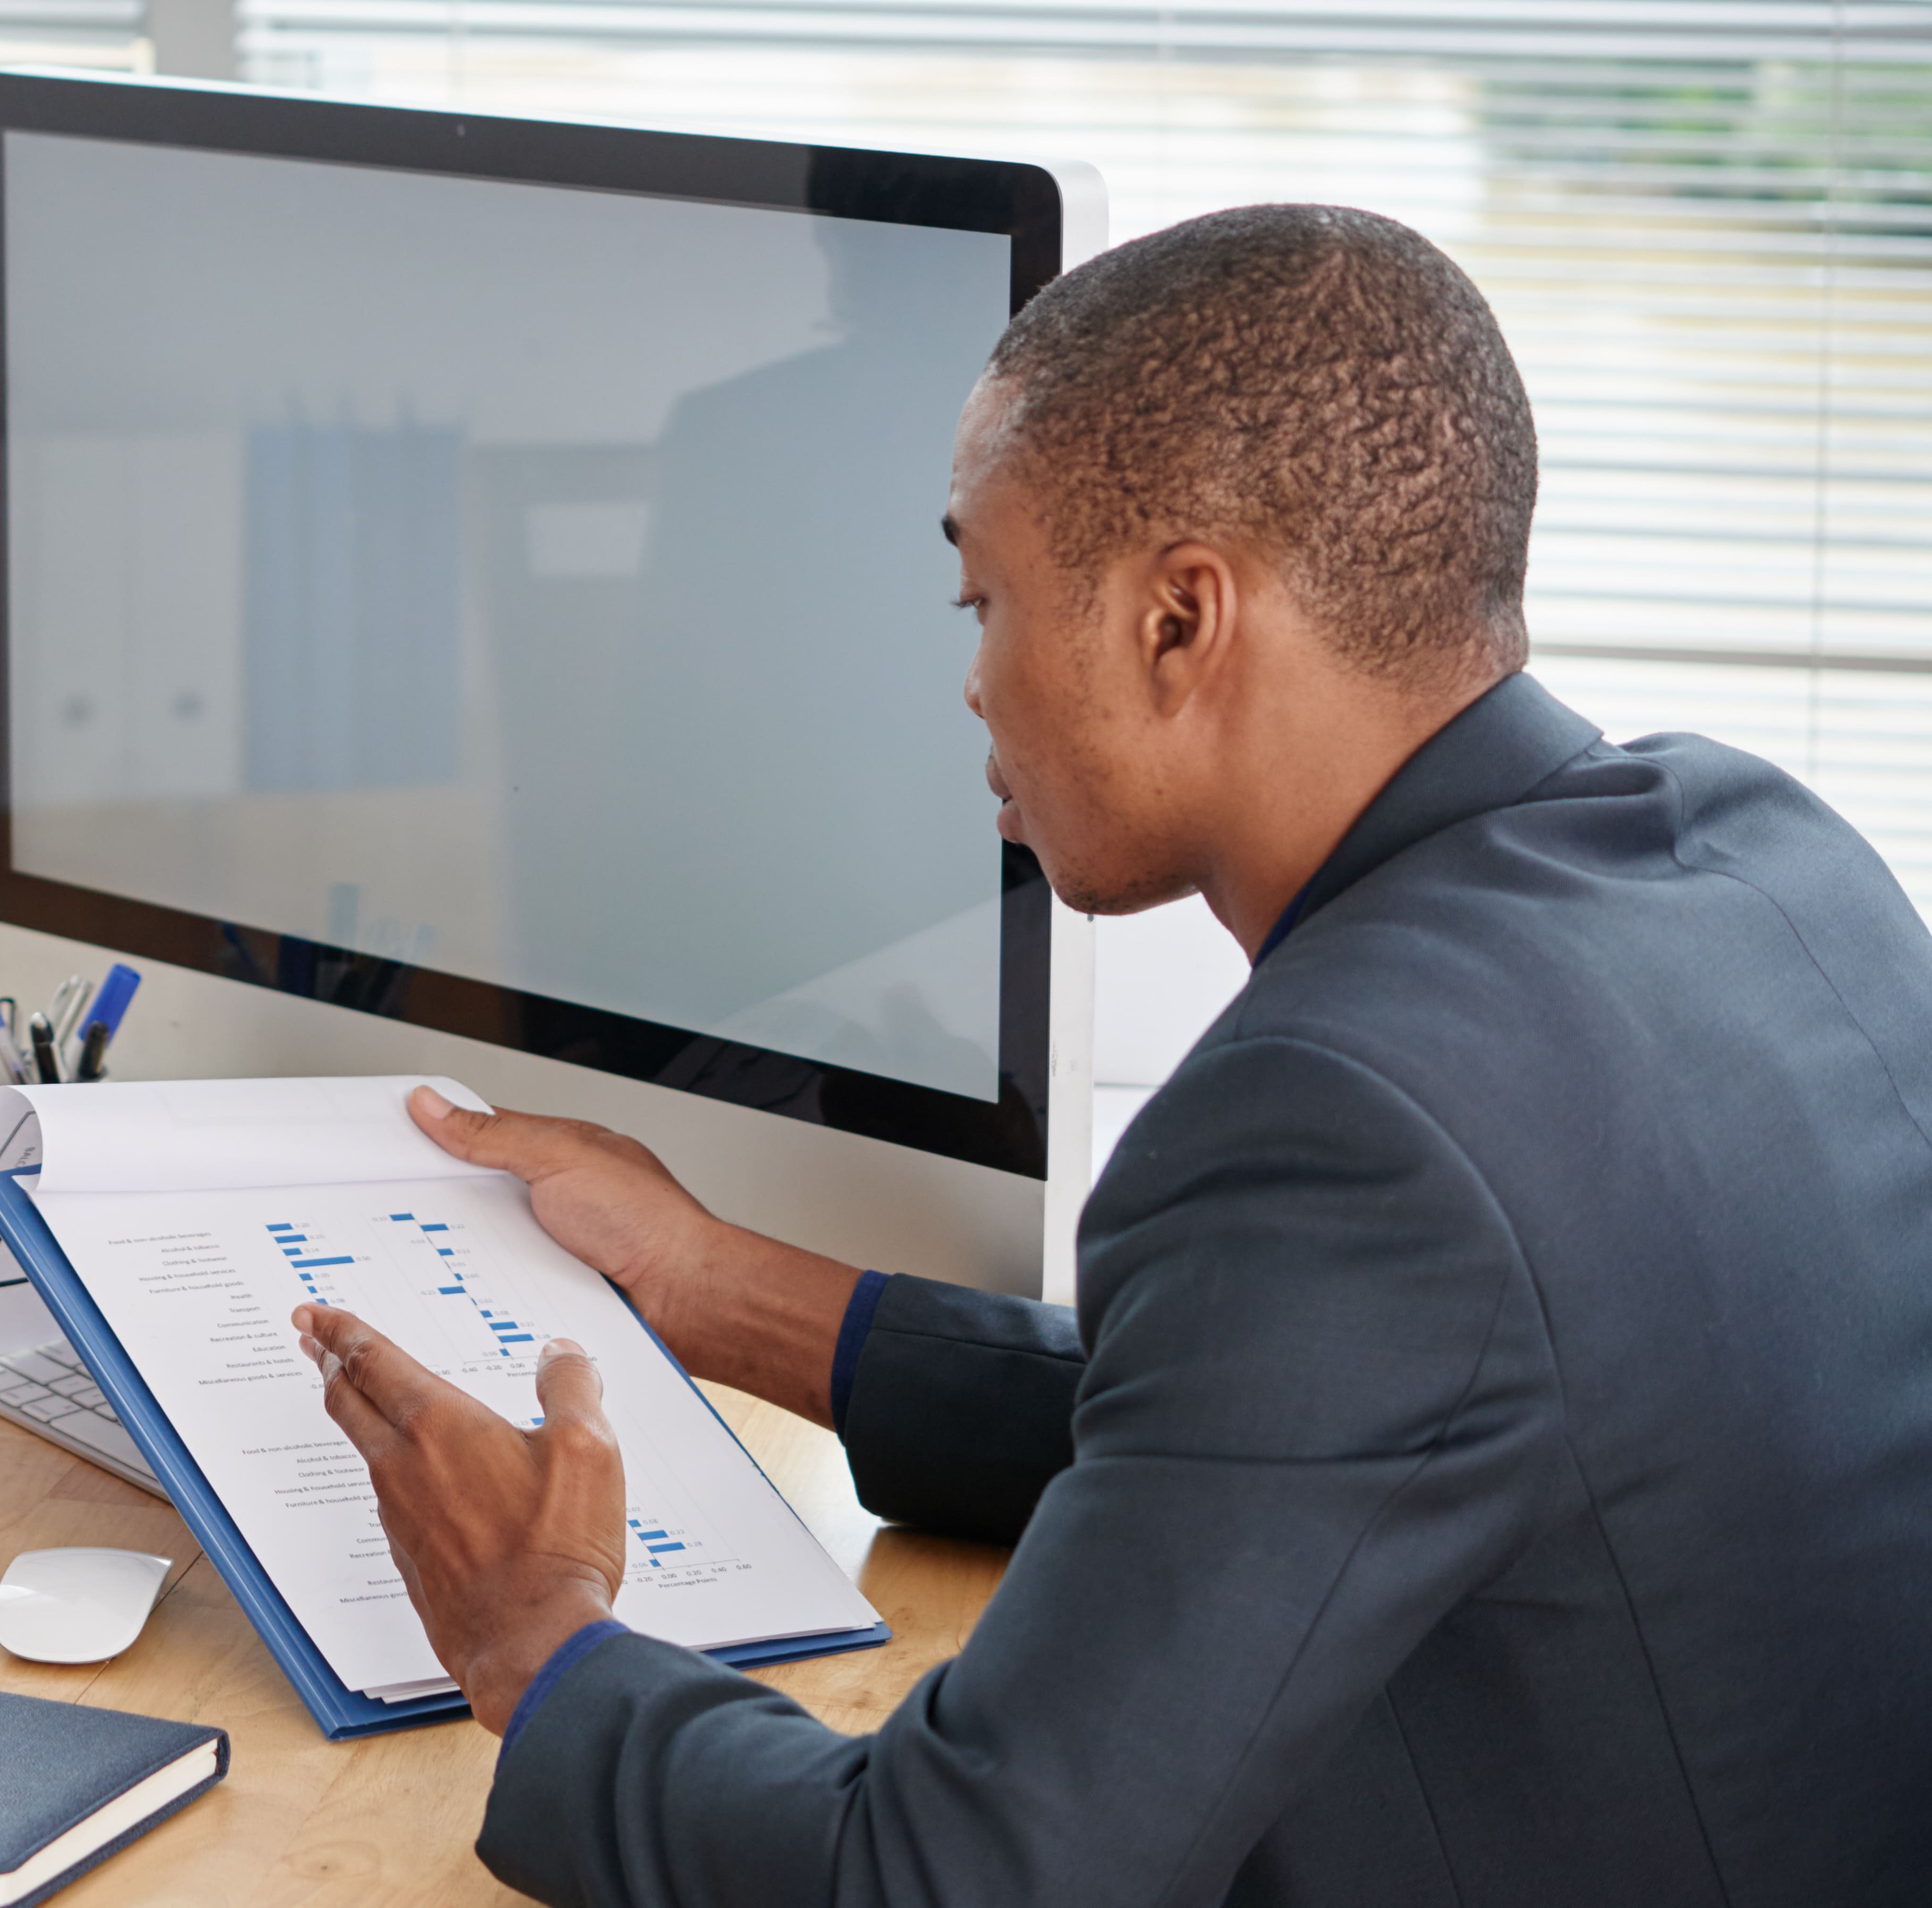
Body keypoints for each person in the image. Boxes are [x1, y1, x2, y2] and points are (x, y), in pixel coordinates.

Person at [293, 205, 1932, 1904]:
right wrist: (711, 1284)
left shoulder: (1342, 1123)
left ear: (1178, 622)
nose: (975, 685)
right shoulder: (1764, 853)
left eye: (983, 596)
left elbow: (943, 1882)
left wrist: (536, 1639)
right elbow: (1298, 1422)